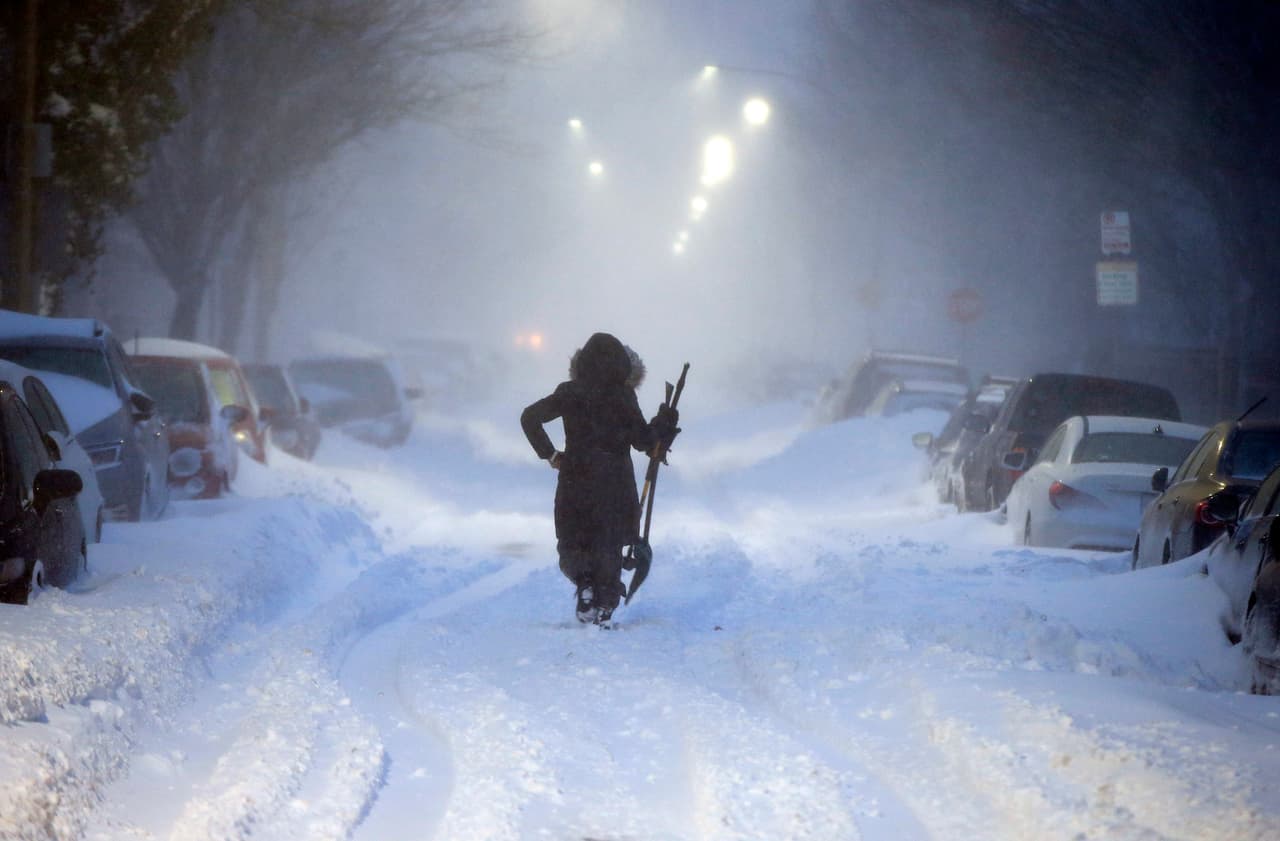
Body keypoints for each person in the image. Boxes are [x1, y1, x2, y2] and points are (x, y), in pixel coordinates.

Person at [521, 332, 679, 625]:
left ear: (582, 362)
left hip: (575, 480)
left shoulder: (569, 392)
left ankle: (585, 586)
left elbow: (529, 417)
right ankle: (605, 605)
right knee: (609, 543)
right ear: (622, 365)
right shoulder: (622, 396)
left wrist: (551, 455)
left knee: (573, 540)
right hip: (614, 483)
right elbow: (644, 441)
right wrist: (663, 423)